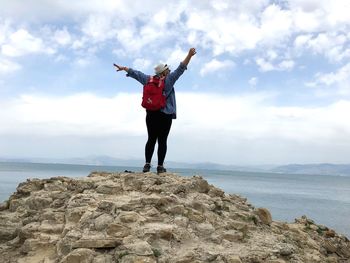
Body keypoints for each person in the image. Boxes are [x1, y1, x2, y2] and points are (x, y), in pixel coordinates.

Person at [114, 48, 196, 174]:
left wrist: (124, 68)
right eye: (168, 69)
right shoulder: (169, 80)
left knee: (151, 139)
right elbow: (181, 68)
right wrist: (189, 55)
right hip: (166, 115)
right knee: (162, 140)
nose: (169, 71)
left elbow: (136, 73)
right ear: (165, 72)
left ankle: (147, 165)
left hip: (151, 114)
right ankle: (160, 167)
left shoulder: (148, 79)